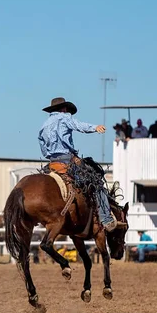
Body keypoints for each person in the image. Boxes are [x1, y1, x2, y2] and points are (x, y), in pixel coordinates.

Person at [38, 97, 126, 232]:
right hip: (67, 159)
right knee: (97, 183)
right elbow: (79, 126)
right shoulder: (64, 118)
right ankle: (106, 219)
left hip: (52, 162)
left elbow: (43, 146)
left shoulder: (44, 124)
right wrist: (95, 128)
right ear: (64, 108)